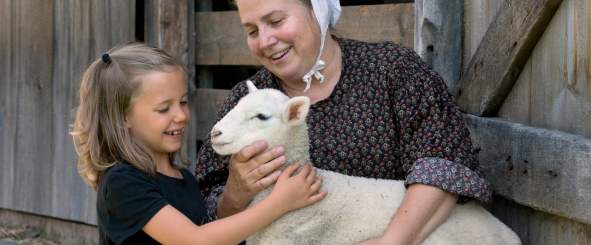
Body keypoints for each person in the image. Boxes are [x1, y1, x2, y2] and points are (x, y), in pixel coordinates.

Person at [195, 0, 493, 244]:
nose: (265, 41)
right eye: (251, 30)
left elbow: (443, 166)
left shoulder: (392, 71)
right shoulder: (247, 101)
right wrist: (236, 192)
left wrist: (392, 241)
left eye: (275, 21)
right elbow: (207, 217)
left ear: (317, 9)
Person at [71, 43, 326, 245]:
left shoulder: (183, 177)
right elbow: (195, 240)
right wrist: (279, 203)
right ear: (123, 116)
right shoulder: (122, 182)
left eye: (182, 102)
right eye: (163, 108)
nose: (181, 115)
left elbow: (215, 233)